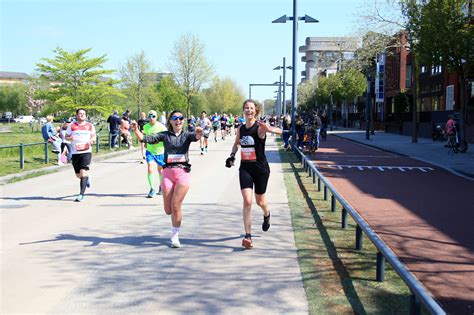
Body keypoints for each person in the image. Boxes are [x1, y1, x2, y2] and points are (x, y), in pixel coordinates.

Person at [131, 110, 203, 248]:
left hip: (183, 173)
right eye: (175, 118)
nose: (178, 120)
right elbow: (145, 139)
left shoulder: (187, 135)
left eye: (181, 118)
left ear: (183, 121)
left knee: (176, 205)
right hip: (167, 174)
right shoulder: (165, 136)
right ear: (170, 121)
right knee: (168, 210)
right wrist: (135, 130)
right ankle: (174, 224)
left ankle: (175, 235)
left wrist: (200, 132)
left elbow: (197, 136)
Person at [225, 99, 282, 249]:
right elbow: (237, 143)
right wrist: (232, 156)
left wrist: (269, 129)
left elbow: (280, 131)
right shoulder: (241, 129)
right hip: (245, 168)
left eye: (251, 108)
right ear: (243, 110)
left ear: (255, 111)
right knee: (248, 201)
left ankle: (267, 213)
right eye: (246, 108)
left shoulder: (260, 128)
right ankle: (248, 236)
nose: (248, 110)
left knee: (260, 201)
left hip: (261, 169)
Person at [66, 108, 96, 202]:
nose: (81, 115)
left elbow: (93, 136)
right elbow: (66, 137)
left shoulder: (90, 125)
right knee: (78, 175)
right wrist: (71, 138)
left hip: (86, 152)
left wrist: (92, 140)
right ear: (76, 115)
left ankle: (81, 195)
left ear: (86, 115)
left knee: (83, 172)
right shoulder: (72, 125)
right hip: (75, 152)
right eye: (80, 113)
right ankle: (86, 178)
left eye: (83, 113)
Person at [143, 110, 167, 197]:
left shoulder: (161, 127)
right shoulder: (146, 126)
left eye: (153, 116)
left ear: (156, 117)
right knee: (150, 167)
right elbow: (145, 136)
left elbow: (166, 137)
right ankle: (152, 189)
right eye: (150, 116)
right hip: (150, 151)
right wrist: (145, 143)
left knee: (160, 170)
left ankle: (161, 186)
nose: (151, 118)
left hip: (160, 152)